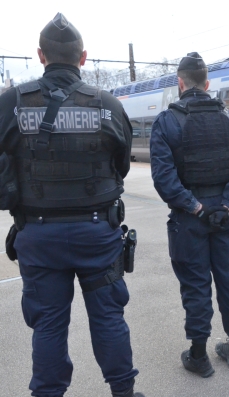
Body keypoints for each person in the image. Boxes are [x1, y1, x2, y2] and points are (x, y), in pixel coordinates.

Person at [0, 13, 143, 397]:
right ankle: (123, 391)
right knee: (109, 316)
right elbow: (123, 165)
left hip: (38, 234)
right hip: (97, 233)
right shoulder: (108, 104)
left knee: (48, 323)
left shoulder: (11, 102)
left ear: (40, 56)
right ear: (83, 58)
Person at [150, 52, 229, 376]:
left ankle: (199, 356)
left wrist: (196, 207)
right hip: (224, 216)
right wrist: (225, 205)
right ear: (207, 84)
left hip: (189, 218)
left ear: (180, 84)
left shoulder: (167, 122)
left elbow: (164, 180)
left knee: (195, 285)